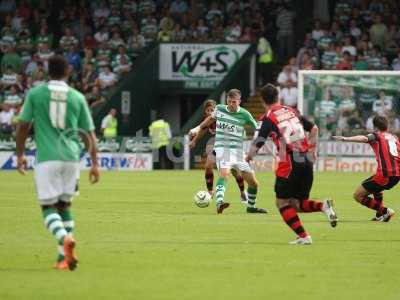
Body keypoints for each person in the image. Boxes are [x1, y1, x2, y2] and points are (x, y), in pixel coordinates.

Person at [16, 55, 100, 270]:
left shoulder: (35, 94)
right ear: (68, 72)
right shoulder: (77, 97)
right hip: (71, 158)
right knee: (64, 206)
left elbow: (23, 126)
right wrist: (94, 163)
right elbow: (89, 135)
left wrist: (20, 154)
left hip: (47, 158)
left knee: (48, 207)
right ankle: (63, 257)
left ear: (46, 71)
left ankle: (64, 239)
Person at [246, 84, 337, 245]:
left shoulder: (268, 117)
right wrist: (312, 150)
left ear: (262, 100)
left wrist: (248, 158)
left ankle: (304, 236)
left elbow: (258, 142)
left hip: (289, 162)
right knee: (296, 204)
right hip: (306, 160)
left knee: (281, 202)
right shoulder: (291, 110)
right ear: (278, 96)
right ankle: (324, 206)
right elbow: (314, 129)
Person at [192, 89, 266, 214]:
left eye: (234, 102)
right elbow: (208, 121)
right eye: (230, 101)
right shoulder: (220, 109)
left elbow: (257, 128)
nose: (232, 104)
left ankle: (251, 207)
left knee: (253, 183)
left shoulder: (245, 114)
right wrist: (197, 129)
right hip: (222, 148)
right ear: (227, 100)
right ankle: (219, 202)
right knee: (224, 174)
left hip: (238, 152)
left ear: (239, 102)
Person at [333, 116, 398, 222]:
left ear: (375, 127)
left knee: (358, 195)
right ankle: (379, 215)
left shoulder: (377, 135)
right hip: (396, 175)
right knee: (376, 187)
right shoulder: (394, 138)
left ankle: (385, 211)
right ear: (387, 125)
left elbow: (364, 138)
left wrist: (346, 138)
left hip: (386, 174)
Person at [189, 99, 248, 203]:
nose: (210, 112)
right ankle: (210, 191)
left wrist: (194, 130)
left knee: (235, 172)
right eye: (208, 110)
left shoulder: (222, 117)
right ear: (205, 112)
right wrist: (194, 141)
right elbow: (203, 129)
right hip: (218, 146)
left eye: (212, 109)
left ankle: (243, 192)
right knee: (208, 166)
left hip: (230, 146)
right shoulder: (208, 120)